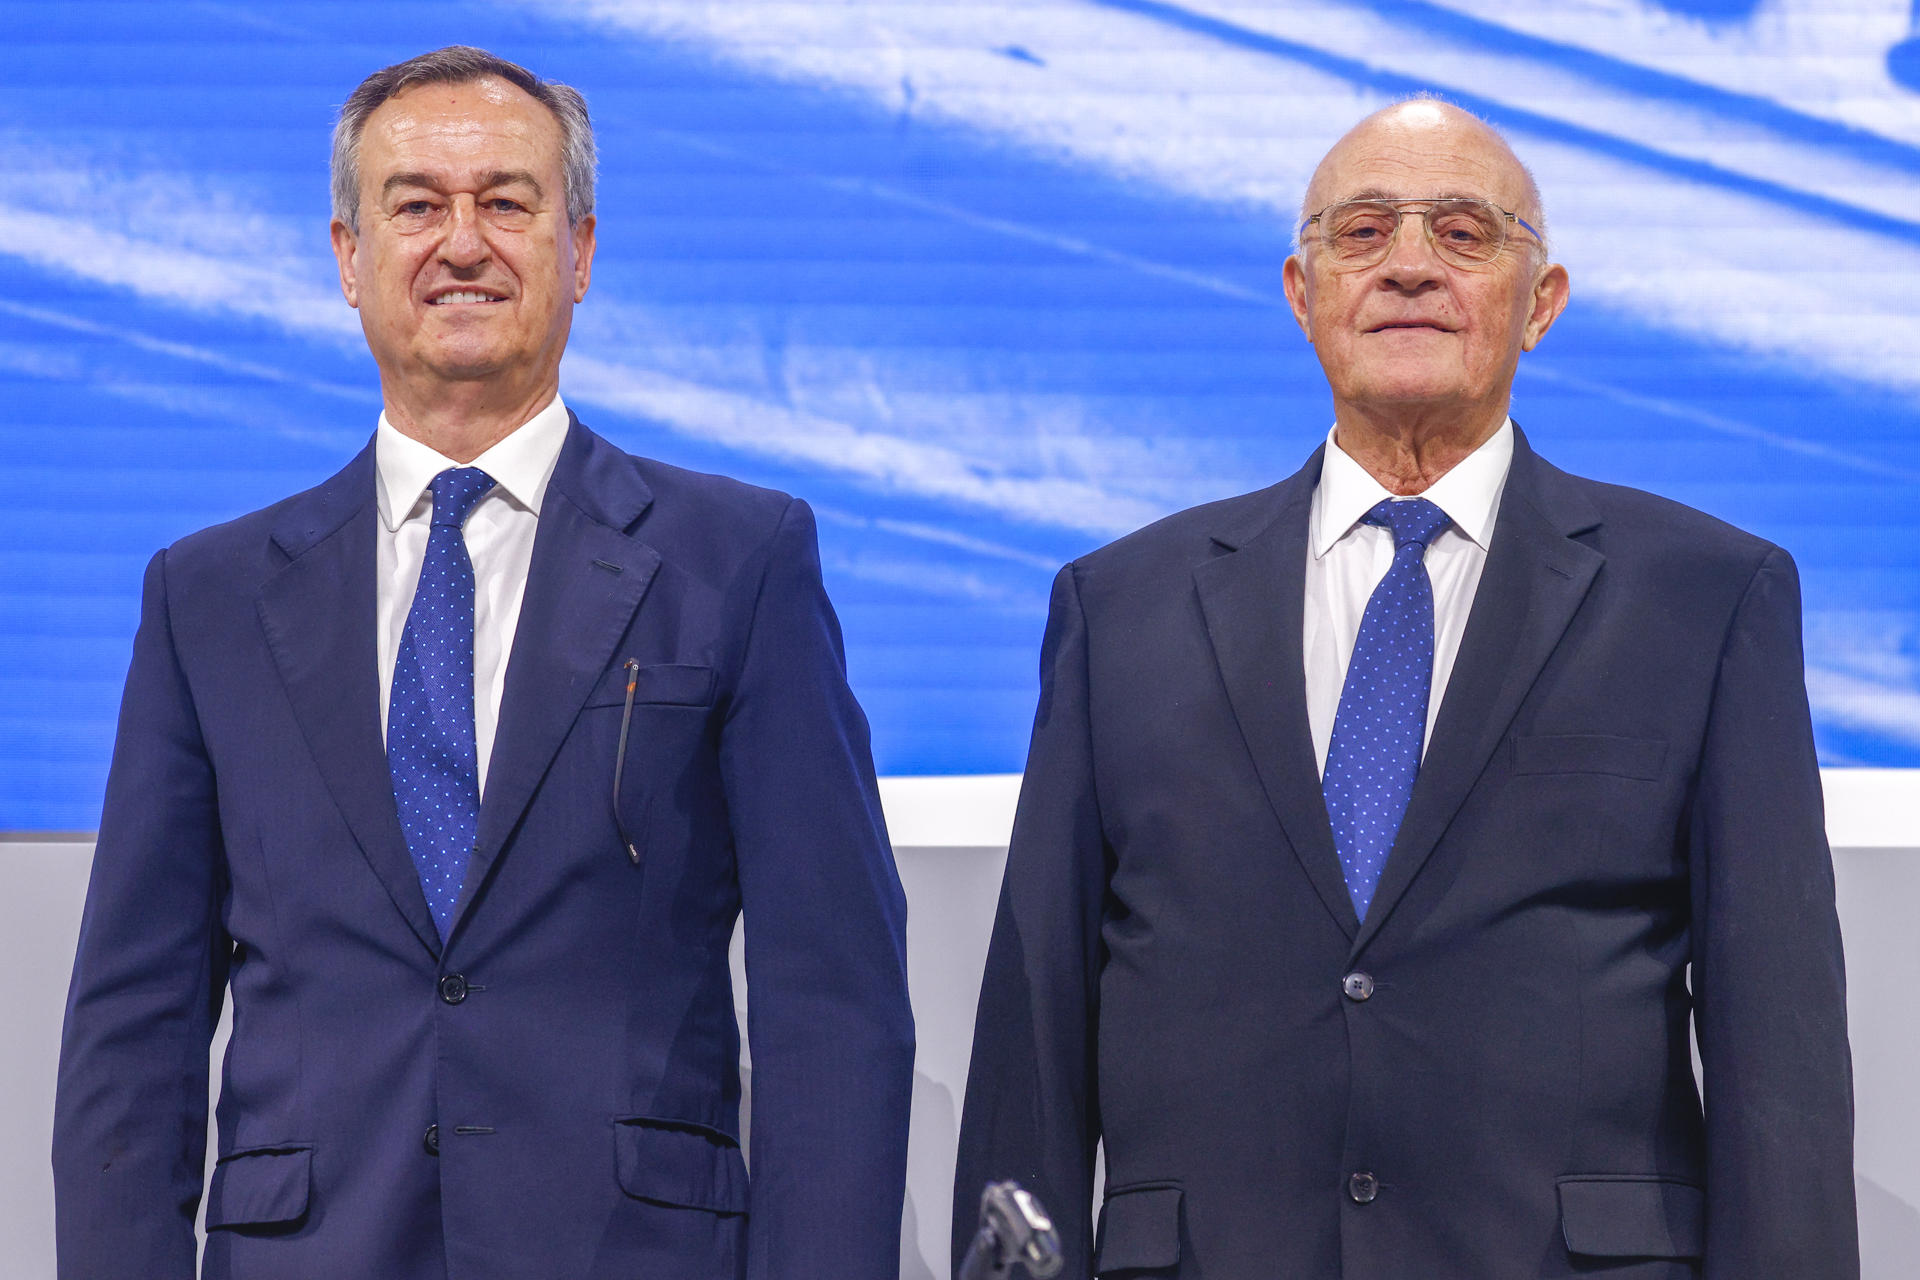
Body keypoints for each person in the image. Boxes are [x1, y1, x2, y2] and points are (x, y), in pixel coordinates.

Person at [953, 98, 1857, 1279]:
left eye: (1466, 233)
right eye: (1365, 231)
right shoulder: (1119, 604)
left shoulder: (1707, 594)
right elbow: (1037, 1029)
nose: (1411, 267)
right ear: (1302, 289)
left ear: (1542, 302)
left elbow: (1776, 1059)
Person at [53, 46, 913, 1280]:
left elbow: (833, 1000)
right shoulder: (210, 595)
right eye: (416, 205)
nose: (464, 242)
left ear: (581, 253)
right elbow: (132, 1029)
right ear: (350, 258)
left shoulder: (741, 559)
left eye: (508, 201)